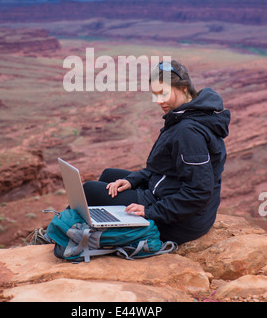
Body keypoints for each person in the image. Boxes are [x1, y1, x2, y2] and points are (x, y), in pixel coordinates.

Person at [83, 60, 230, 245]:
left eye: (164, 93)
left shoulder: (188, 132)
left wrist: (150, 211)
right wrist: (132, 180)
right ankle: (94, 226)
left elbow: (198, 192)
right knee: (109, 175)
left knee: (89, 190)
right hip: (170, 193)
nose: (159, 101)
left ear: (184, 88)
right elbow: (163, 168)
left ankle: (60, 235)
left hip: (181, 222)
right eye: (155, 95)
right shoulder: (188, 114)